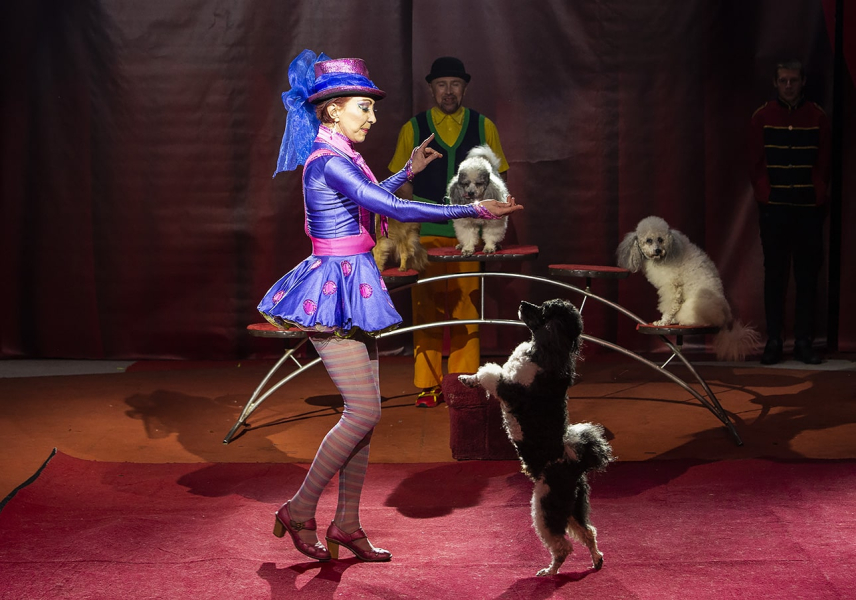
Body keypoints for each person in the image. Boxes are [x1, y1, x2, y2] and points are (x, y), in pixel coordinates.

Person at [259, 50, 522, 563]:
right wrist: (473, 207)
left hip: (355, 284)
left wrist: (406, 171)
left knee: (366, 414)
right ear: (333, 110)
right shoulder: (328, 160)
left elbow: (369, 197)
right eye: (364, 107)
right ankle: (299, 509)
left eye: (373, 108)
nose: (373, 117)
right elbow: (390, 208)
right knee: (363, 411)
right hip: (332, 290)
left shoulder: (341, 156)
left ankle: (346, 523)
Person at [388, 56, 510, 407]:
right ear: (431, 88)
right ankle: (428, 385)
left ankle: (463, 384)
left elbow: (498, 178)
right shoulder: (414, 127)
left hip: (468, 230)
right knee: (425, 308)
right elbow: (402, 181)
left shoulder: (483, 126)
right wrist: (409, 222)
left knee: (467, 310)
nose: (448, 91)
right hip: (426, 230)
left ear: (464, 88)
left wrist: (489, 222)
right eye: (441, 84)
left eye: (455, 84)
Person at [749, 60, 831, 365]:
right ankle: (774, 341)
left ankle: (804, 342)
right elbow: (755, 164)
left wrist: (818, 194)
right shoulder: (762, 117)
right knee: (775, 275)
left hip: (809, 210)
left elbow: (824, 162)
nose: (788, 86)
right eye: (783, 80)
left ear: (803, 81)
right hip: (775, 211)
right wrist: (767, 197)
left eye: (793, 80)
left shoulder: (818, 117)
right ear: (775, 82)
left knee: (807, 277)